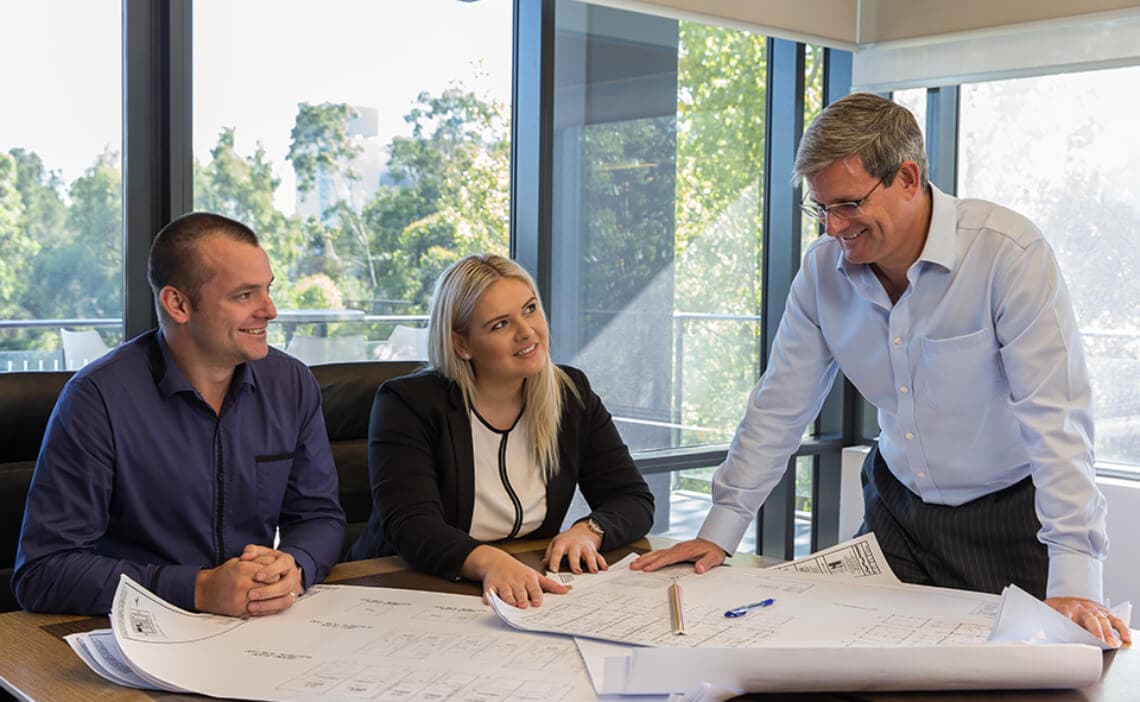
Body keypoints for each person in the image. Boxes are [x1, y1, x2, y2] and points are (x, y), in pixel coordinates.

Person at [633, 92, 1130, 647]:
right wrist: (720, 532)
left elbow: (1056, 421)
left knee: (1017, 678)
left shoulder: (1006, 254)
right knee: (855, 661)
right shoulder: (822, 273)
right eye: (820, 209)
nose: (831, 228)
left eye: (846, 205)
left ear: (909, 177)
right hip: (897, 512)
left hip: (1009, 516)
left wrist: (1076, 577)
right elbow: (779, 405)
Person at [13, 212, 346, 617]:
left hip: (254, 627)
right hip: (134, 634)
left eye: (267, 289)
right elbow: (44, 572)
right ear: (178, 304)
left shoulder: (291, 384)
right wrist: (199, 590)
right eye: (245, 295)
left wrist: (296, 564)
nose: (270, 310)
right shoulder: (95, 399)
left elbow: (320, 516)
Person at [349, 254, 654, 608]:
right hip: (406, 587)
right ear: (461, 344)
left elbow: (633, 498)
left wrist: (589, 531)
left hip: (522, 584)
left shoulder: (571, 393)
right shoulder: (408, 403)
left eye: (529, 309)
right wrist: (492, 562)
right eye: (499, 325)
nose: (526, 331)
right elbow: (411, 525)